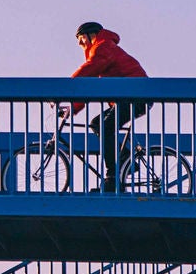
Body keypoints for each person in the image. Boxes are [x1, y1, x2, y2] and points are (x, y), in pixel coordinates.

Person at [55, 21, 149, 190]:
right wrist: (73, 107)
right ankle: (124, 161)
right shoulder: (101, 51)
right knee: (97, 123)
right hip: (129, 97)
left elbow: (87, 71)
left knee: (105, 126)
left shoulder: (103, 47)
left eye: (82, 38)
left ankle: (113, 176)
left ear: (92, 35)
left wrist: (65, 88)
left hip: (135, 97)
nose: (80, 44)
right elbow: (90, 85)